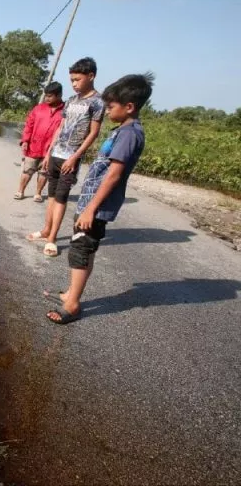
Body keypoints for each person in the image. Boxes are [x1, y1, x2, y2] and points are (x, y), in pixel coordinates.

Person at [44, 73, 154, 324]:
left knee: (80, 249)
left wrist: (90, 209)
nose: (107, 109)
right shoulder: (123, 130)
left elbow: (114, 174)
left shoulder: (130, 134)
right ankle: (71, 292)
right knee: (86, 248)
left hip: (96, 205)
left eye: (111, 105)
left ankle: (72, 305)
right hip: (92, 203)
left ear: (129, 107)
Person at [27, 57, 105, 257]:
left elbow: (93, 133)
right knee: (51, 196)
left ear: (91, 76)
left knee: (61, 198)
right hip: (55, 154)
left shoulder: (97, 102)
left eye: (77, 80)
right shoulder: (71, 101)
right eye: (71, 80)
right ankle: (46, 230)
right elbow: (60, 128)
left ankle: (52, 239)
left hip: (71, 158)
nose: (74, 84)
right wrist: (48, 153)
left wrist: (75, 157)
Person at [14, 82, 65, 202]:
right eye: (46, 95)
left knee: (44, 173)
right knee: (27, 170)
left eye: (50, 96)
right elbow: (29, 125)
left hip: (51, 149)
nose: (46, 98)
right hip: (34, 146)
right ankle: (20, 191)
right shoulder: (38, 109)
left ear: (59, 95)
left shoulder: (65, 111)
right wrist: (25, 140)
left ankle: (38, 193)